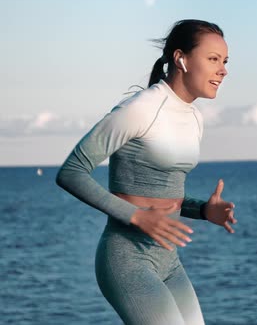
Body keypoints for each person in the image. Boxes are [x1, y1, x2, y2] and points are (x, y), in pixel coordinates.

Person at [55, 19, 236, 325]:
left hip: (169, 262)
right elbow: (71, 172)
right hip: (127, 259)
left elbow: (162, 195)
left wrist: (204, 210)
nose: (223, 70)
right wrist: (136, 217)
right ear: (181, 59)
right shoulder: (140, 109)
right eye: (213, 59)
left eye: (225, 61)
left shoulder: (194, 118)